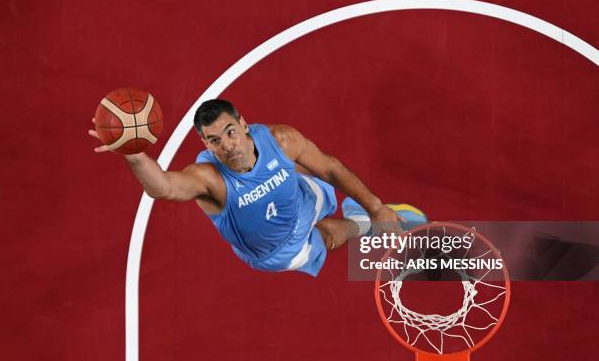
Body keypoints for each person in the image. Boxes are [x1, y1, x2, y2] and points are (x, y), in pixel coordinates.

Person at [88, 99, 426, 276]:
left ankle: (364, 214)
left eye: (231, 132)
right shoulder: (210, 179)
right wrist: (133, 155)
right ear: (205, 142)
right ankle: (361, 226)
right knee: (327, 237)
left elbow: (331, 167)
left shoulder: (280, 139)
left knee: (321, 179)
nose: (228, 146)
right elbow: (163, 187)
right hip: (277, 249)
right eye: (215, 140)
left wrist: (378, 206)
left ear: (244, 124)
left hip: (300, 195)